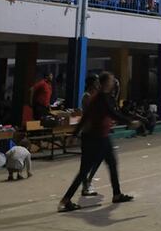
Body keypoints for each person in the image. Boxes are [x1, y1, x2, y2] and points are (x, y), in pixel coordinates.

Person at [58, 71, 140, 212]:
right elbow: (112, 113)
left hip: (98, 136)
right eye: (112, 80)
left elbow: (86, 117)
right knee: (85, 171)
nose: (114, 82)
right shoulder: (101, 98)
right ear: (105, 83)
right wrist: (129, 122)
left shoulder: (99, 97)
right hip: (97, 137)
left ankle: (117, 194)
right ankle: (66, 200)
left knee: (110, 164)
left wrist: (75, 134)